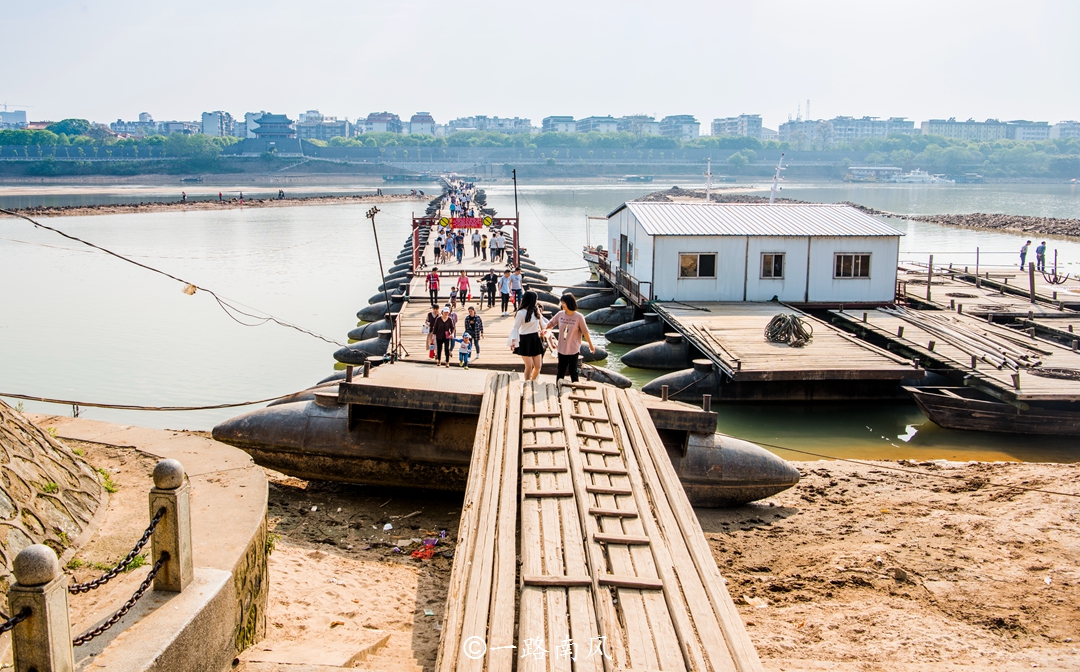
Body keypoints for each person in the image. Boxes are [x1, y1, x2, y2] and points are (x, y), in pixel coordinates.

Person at [547, 294, 595, 382]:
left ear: (569, 303)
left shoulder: (579, 317)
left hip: (573, 349)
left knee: (573, 371)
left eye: (563, 303)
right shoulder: (560, 314)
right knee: (561, 371)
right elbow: (550, 325)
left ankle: (575, 389)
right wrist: (545, 332)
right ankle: (558, 388)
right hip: (561, 349)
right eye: (561, 303)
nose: (562, 305)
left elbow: (585, 332)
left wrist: (591, 345)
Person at [508, 291, 547, 381]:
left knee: (538, 366)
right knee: (529, 366)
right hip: (525, 339)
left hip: (535, 338)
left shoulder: (536, 310)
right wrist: (513, 341)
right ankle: (527, 383)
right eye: (535, 299)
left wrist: (544, 330)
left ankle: (532, 382)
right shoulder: (521, 313)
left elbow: (542, 324)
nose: (536, 301)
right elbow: (516, 328)